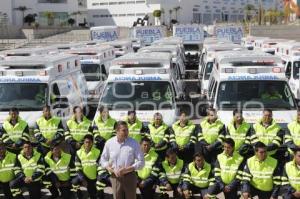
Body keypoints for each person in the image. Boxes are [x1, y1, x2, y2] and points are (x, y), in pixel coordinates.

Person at [100, 121, 144, 199]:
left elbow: (141, 162)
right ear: (117, 131)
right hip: (115, 177)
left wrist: (127, 169)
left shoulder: (134, 143)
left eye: (127, 130)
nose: (126, 132)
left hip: (130, 176)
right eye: (124, 130)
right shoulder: (109, 143)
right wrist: (110, 169)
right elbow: (103, 159)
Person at [72, 134, 102, 199]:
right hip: (83, 177)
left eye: (89, 142)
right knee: (74, 182)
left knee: (93, 195)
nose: (88, 144)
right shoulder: (78, 153)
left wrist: (98, 178)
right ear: (84, 142)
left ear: (92, 143)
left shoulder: (97, 152)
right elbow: (78, 168)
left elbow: (100, 166)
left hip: (93, 178)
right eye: (86, 142)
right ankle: (79, 196)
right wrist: (83, 179)